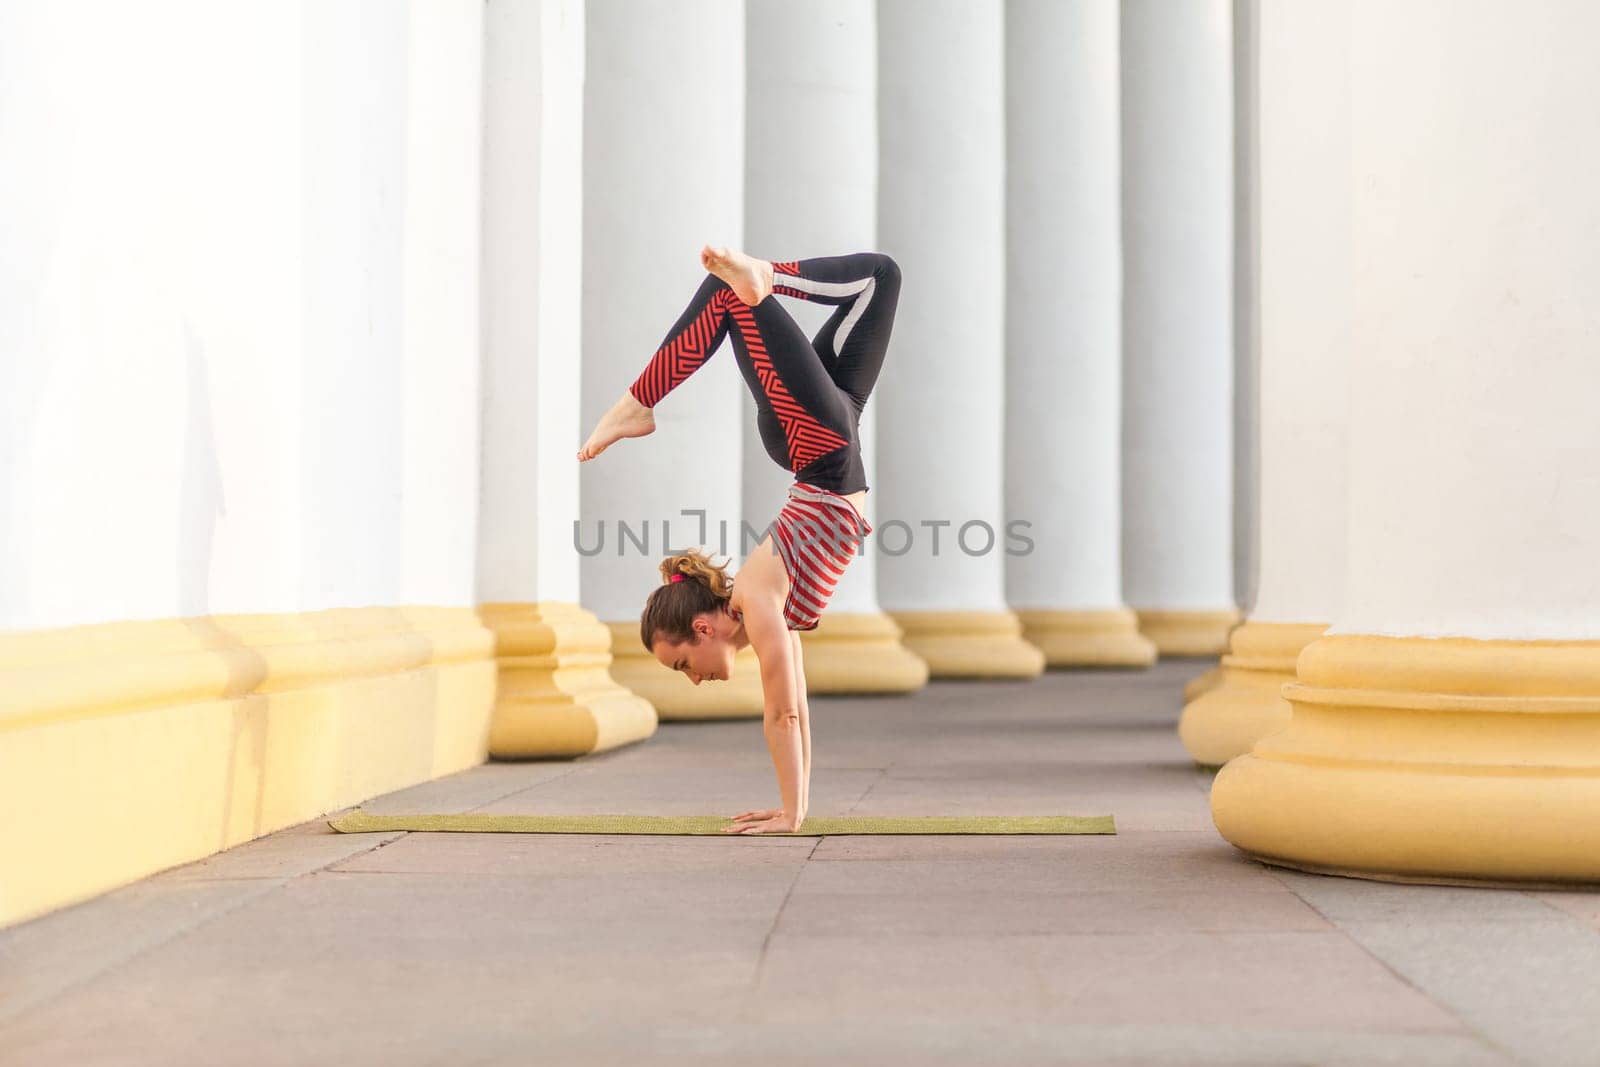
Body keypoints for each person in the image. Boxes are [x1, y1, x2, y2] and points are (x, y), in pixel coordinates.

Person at [577, 246, 902, 835]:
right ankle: (643, 398)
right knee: (844, 282)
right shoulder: (766, 609)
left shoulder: (757, 599)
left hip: (819, 443)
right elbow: (795, 708)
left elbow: (777, 714)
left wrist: (791, 814)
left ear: (702, 629)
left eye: (682, 665)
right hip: (830, 431)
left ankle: (638, 403)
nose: (693, 679)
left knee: (760, 287)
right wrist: (794, 808)